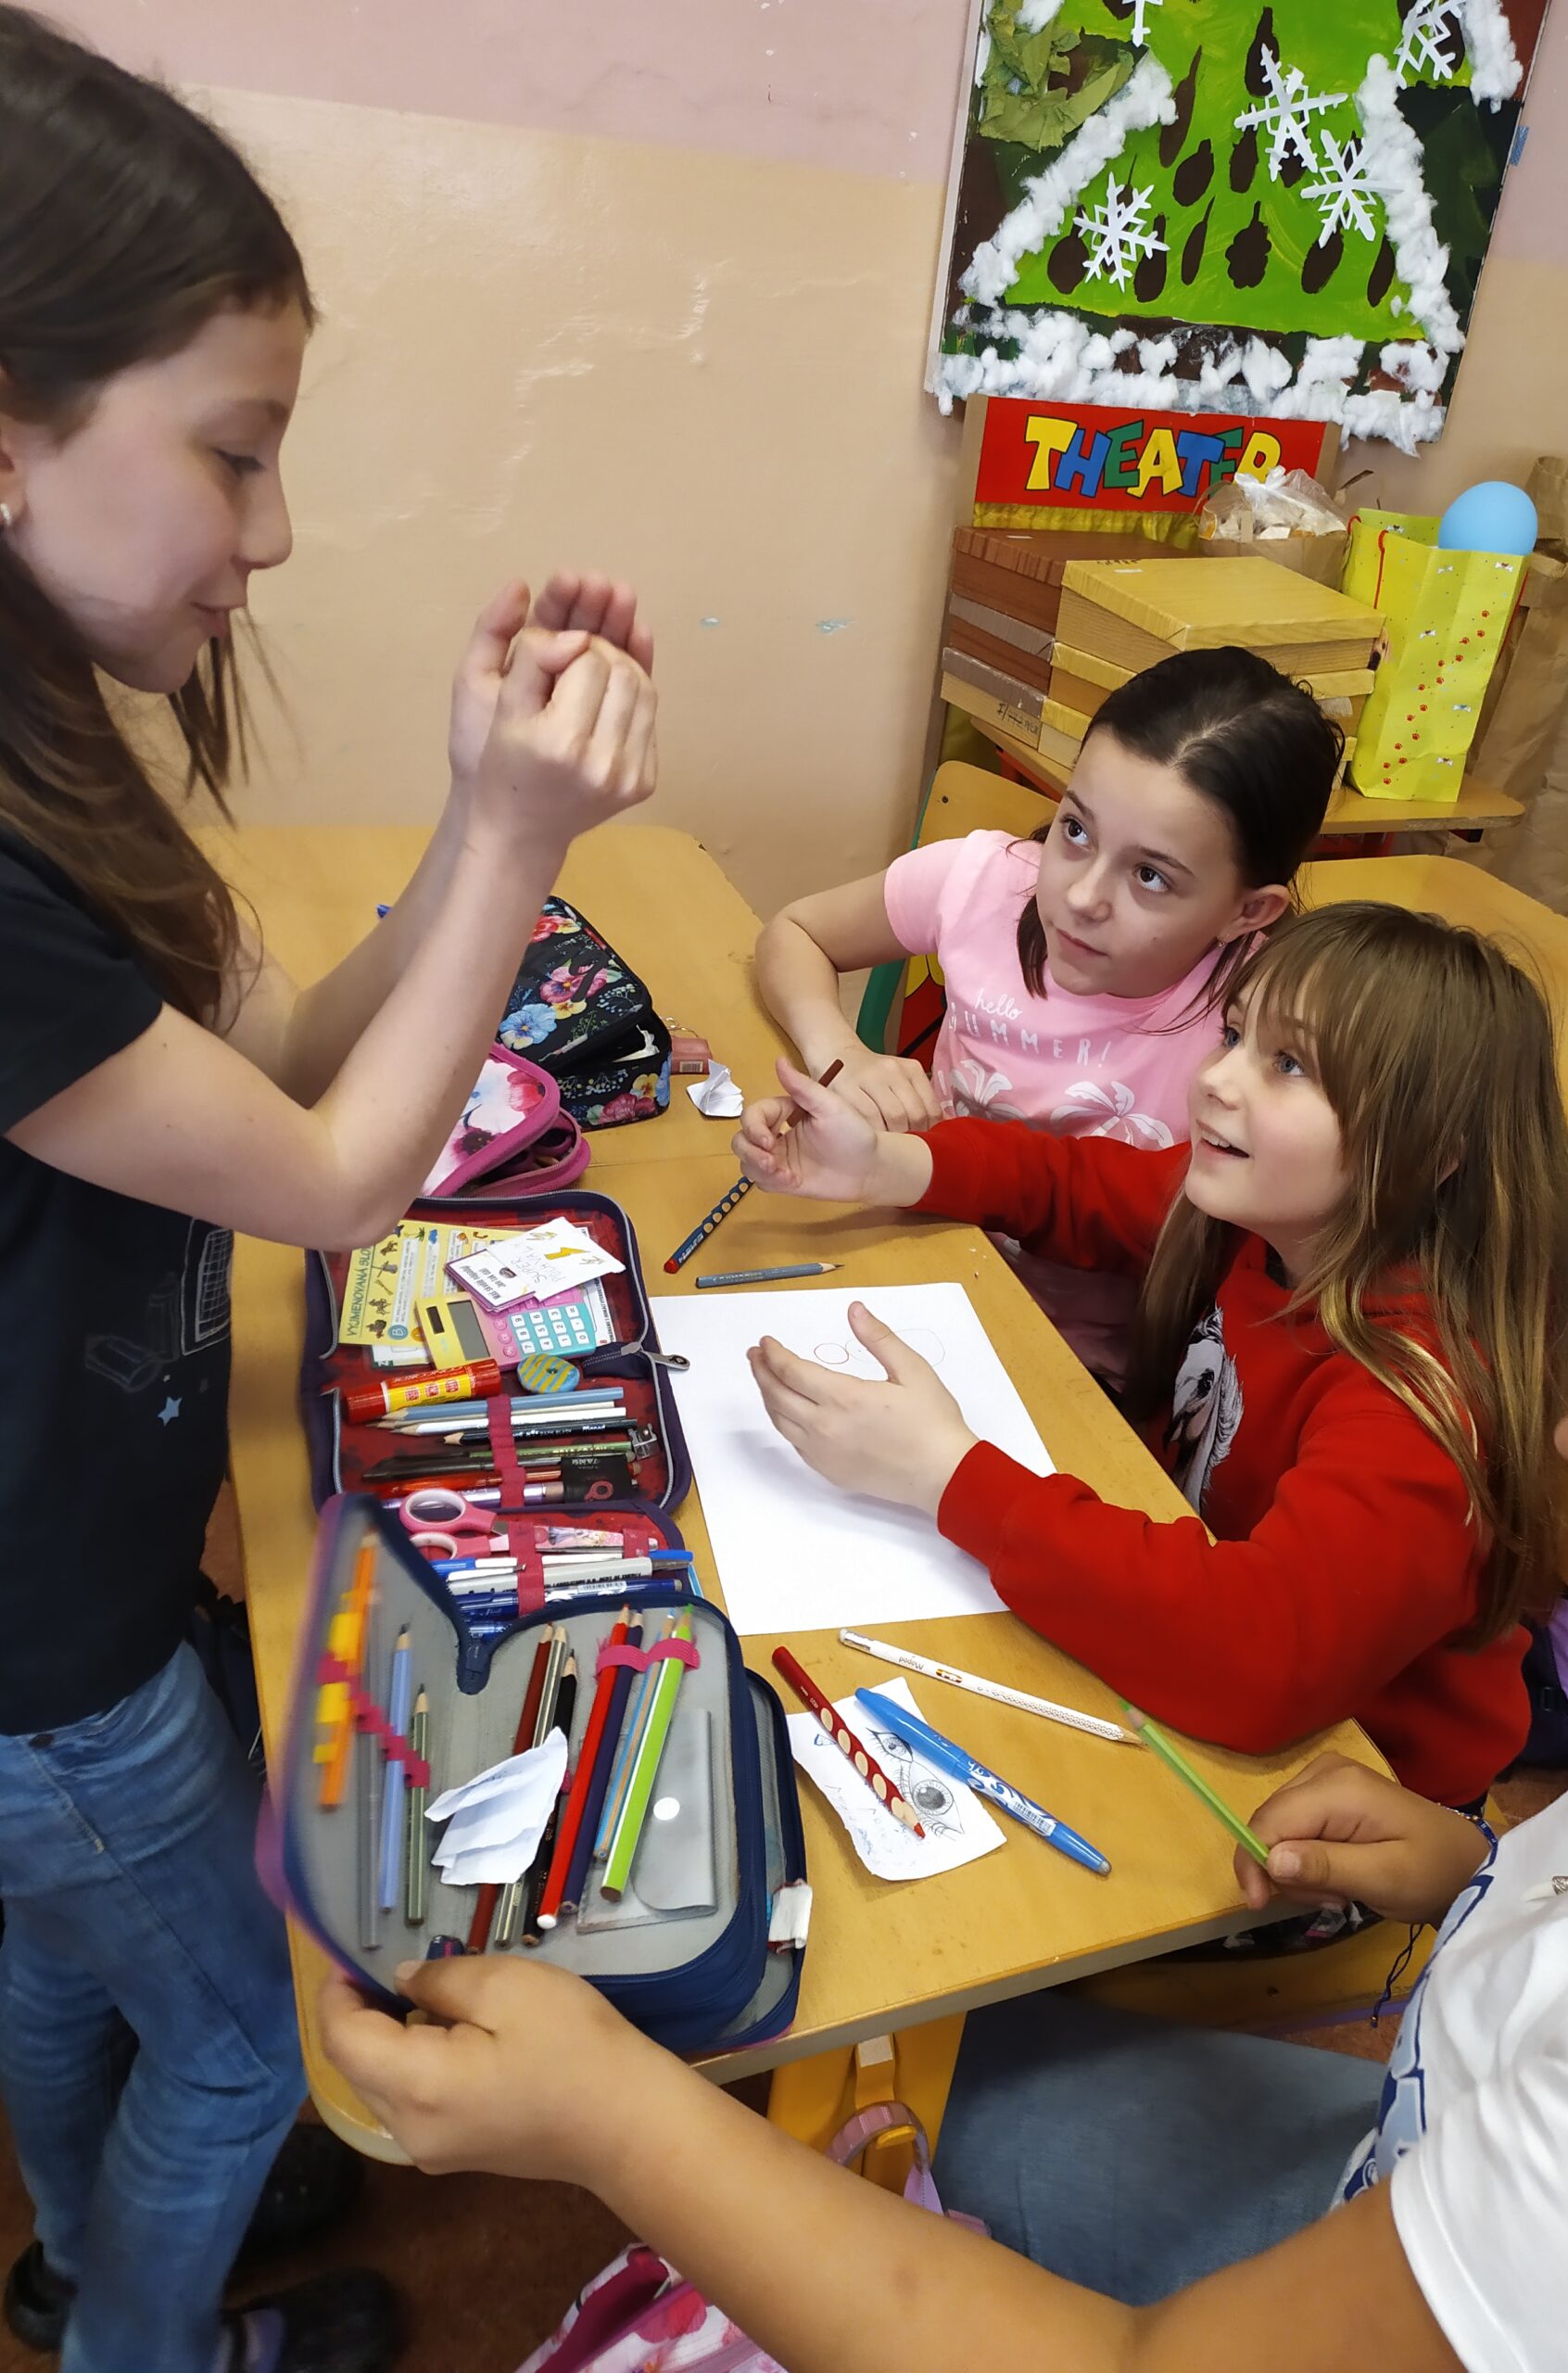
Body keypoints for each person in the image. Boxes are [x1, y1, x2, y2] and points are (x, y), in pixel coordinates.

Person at [321, 1061, 1568, 2373]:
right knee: (878, 2068)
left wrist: (613, 2119)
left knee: (829, 2066)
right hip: (1409, 2161)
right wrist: (1474, 1867)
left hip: (1417, 2228)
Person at [0, 12, 656, 2372]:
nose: (269, 534)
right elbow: (332, 1183)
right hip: (44, 1663)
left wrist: (470, 825)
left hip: (64, 1610)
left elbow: (269, 1072)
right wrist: (521, 843)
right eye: (235, 450)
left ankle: (72, 2252)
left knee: (69, 1955)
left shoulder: (42, 757)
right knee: (245, 2035)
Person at [735, 903, 1568, 1808]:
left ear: (1433, 1154)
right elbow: (1070, 1182)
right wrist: (883, 1164)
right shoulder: (1260, 1212)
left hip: (1348, 1792)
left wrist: (945, 1474)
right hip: (1185, 1644)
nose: (1217, 1079)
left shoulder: (1420, 1399)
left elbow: (1259, 1656)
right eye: (1234, 1035)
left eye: (1291, 1065)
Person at [754, 648, 1342, 1379]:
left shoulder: (1262, 1032)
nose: (1082, 896)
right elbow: (794, 933)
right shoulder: (983, 884)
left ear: (1247, 912)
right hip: (914, 1269)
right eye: (1076, 830)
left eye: (1150, 875)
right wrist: (840, 1053)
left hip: (1087, 1374)